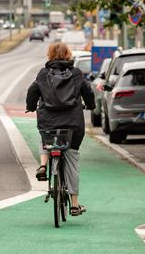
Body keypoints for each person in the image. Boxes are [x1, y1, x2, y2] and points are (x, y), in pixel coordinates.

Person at [26, 42, 95, 216]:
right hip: (73, 123)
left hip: (49, 121)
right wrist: (91, 104)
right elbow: (87, 91)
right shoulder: (76, 74)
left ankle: (43, 165)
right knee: (72, 158)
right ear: (68, 55)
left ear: (49, 55)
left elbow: (32, 90)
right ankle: (74, 203)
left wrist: (31, 106)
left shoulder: (43, 74)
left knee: (46, 138)